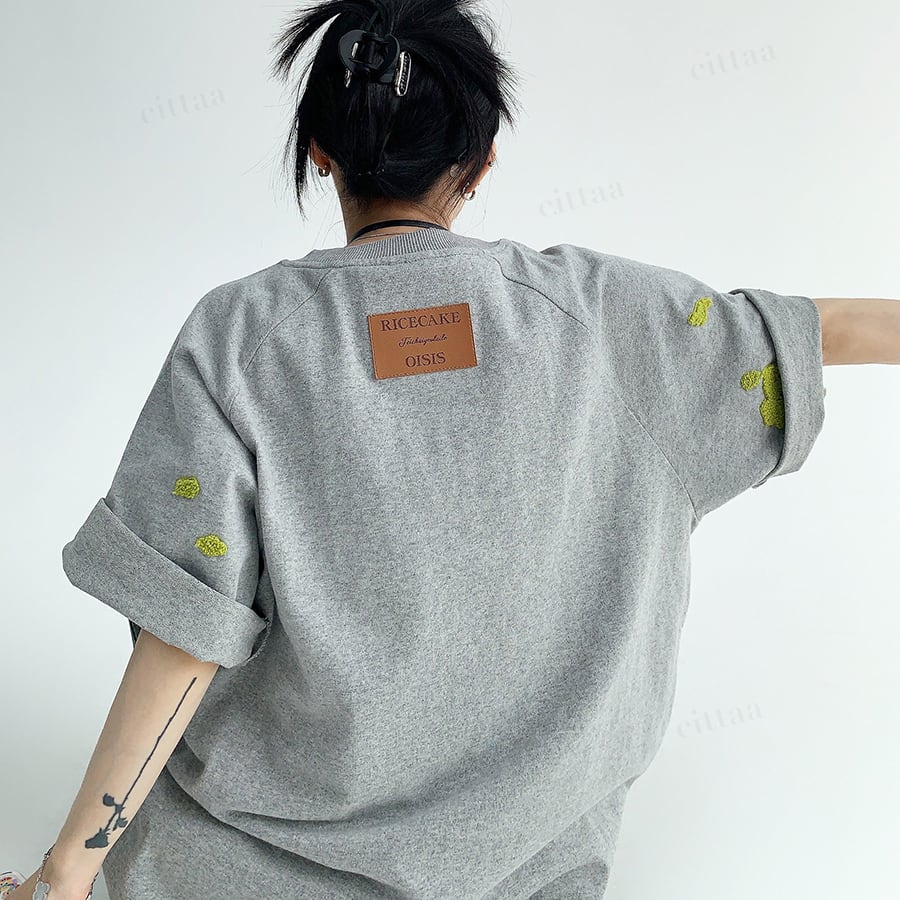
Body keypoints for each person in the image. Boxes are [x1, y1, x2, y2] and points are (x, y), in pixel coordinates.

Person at [7, 0, 898, 898]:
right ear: (479, 161)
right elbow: (818, 331)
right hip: (530, 876)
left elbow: (183, 637)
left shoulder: (242, 337)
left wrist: (64, 874)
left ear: (319, 152)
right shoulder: (608, 318)